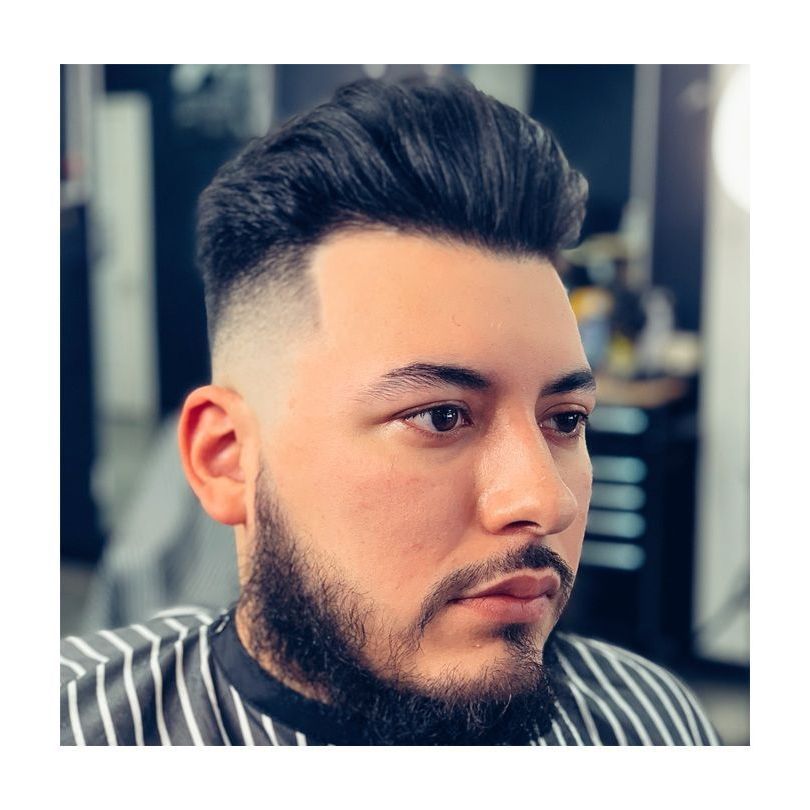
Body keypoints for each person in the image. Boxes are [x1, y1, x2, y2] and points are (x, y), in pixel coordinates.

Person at [60, 75, 720, 746]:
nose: (547, 502)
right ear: (227, 459)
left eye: (565, 420)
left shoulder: (653, 725)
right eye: (440, 416)